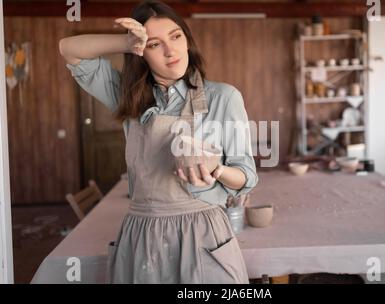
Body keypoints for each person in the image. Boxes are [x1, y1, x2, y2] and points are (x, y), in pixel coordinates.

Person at [59, 0, 258, 283]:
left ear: (187, 40)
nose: (170, 50)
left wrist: (217, 170)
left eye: (176, 36)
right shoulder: (128, 98)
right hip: (142, 233)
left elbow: (247, 176)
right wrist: (126, 42)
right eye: (154, 44)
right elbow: (68, 49)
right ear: (141, 54)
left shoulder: (223, 97)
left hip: (201, 232)